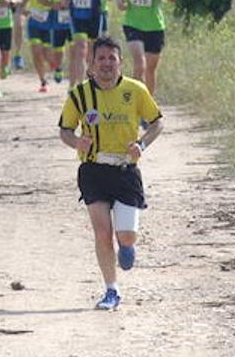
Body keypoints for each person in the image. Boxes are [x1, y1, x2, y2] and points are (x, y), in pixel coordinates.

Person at [58, 36, 164, 311]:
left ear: (120, 62)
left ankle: (127, 246)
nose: (106, 64)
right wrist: (77, 142)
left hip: (125, 170)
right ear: (91, 64)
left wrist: (141, 144)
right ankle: (111, 290)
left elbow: (157, 122)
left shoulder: (135, 90)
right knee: (102, 232)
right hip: (93, 171)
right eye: (100, 59)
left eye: (111, 58)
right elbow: (65, 131)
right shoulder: (79, 94)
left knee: (125, 235)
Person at [21, 0, 58, 93]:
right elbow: (21, 5)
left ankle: (55, 66)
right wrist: (28, 12)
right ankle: (43, 81)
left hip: (49, 24)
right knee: (36, 53)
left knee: (47, 54)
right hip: (34, 24)